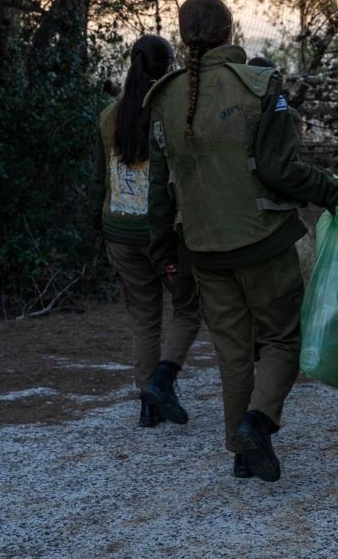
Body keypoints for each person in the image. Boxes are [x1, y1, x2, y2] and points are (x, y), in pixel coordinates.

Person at [145, 0, 338, 483]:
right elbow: (282, 170)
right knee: (282, 338)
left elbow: (159, 188)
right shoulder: (260, 84)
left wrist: (162, 249)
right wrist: (335, 192)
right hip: (264, 243)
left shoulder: (163, 97)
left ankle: (242, 454)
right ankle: (257, 425)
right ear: (229, 29)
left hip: (203, 250)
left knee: (232, 353)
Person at [91, 34, 202, 428]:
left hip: (119, 231)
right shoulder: (169, 116)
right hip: (163, 237)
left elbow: (99, 179)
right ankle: (161, 381)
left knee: (143, 318)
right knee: (188, 309)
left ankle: (148, 404)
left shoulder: (109, 116)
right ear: (169, 68)